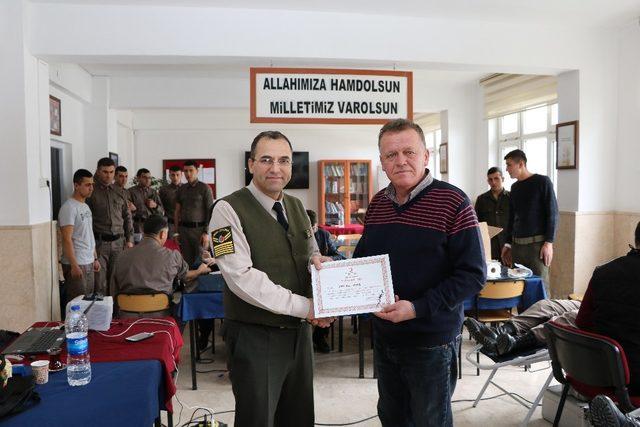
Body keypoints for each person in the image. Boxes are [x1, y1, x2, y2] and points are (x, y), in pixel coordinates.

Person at [353, 119, 485, 427]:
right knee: (392, 417)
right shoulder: (377, 205)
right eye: (391, 155)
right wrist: (329, 269)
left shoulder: (454, 202)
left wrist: (417, 308)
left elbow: (473, 275)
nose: (401, 161)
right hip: (385, 337)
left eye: (409, 152)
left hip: (431, 342)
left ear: (426, 156)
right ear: (382, 163)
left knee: (429, 421)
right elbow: (362, 260)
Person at [209, 130, 333, 427]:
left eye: (283, 160)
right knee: (258, 419)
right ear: (251, 165)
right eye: (266, 159)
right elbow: (241, 278)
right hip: (255, 336)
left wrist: (319, 267)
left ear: (291, 166)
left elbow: (310, 251)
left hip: (299, 336)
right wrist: (308, 308)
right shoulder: (226, 210)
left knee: (299, 416)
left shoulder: (297, 207)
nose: (275, 168)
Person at [576, 221, 640, 396]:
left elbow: (582, 322)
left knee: (560, 309)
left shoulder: (602, 271)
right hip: (634, 382)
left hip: (597, 371)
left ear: (636, 240)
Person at [110, 215, 211, 315]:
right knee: (183, 311)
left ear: (143, 231)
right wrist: (200, 271)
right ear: (163, 234)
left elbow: (114, 289)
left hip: (127, 316)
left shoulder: (122, 256)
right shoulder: (173, 256)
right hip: (161, 315)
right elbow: (186, 277)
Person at [501, 149, 558, 293]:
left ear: (520, 164)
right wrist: (508, 243)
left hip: (537, 247)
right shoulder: (514, 188)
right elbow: (512, 218)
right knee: (520, 288)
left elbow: (552, 213)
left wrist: (549, 243)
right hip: (517, 247)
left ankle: (546, 316)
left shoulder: (542, 182)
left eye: (509, 165)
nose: (506, 169)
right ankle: (523, 316)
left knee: (540, 288)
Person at [464, 299, 581, 356]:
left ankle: (515, 343)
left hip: (597, 314)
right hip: (585, 303)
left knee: (572, 317)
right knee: (545, 305)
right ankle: (498, 333)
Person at [86, 157, 134, 294]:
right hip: (100, 243)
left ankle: (115, 312)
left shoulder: (119, 191)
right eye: (105, 172)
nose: (109, 175)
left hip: (119, 242)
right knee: (100, 281)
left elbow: (127, 216)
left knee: (117, 279)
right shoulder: (91, 192)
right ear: (98, 171)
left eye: (111, 172)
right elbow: (87, 221)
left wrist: (130, 239)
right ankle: (102, 313)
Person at [59, 169, 101, 303]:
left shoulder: (85, 206)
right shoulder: (69, 207)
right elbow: (66, 238)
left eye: (92, 184)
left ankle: (85, 325)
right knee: (77, 303)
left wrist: (95, 258)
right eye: (87, 185)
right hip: (77, 262)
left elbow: (88, 233)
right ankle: (75, 325)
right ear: (76, 185)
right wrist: (73, 265)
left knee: (88, 301)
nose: (91, 188)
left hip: (88, 260)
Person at [306, 209, 345, 353]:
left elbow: (339, 257)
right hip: (302, 280)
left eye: (313, 228)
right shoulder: (297, 235)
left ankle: (319, 336)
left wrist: (328, 260)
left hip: (322, 280)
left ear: (316, 226)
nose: (310, 232)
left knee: (331, 301)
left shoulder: (324, 235)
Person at [175, 160, 214, 266]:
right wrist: (176, 232)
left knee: (201, 261)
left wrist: (206, 232)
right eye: (186, 171)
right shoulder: (181, 189)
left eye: (191, 170)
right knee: (187, 261)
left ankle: (200, 282)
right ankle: (189, 282)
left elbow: (210, 211)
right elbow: (177, 211)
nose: (188, 174)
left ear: (197, 171)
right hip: (184, 231)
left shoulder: (205, 188)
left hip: (199, 231)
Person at [474, 167, 510, 260]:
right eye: (490, 179)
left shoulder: (511, 197)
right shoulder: (481, 199)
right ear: (488, 181)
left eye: (496, 179)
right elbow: (477, 223)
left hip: (508, 244)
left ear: (502, 179)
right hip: (489, 244)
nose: (493, 182)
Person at [128, 168, 164, 243]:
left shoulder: (153, 192)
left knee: (150, 249)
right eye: (144, 177)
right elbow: (126, 212)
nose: (148, 180)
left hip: (151, 226)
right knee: (138, 250)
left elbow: (162, 211)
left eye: (149, 178)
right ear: (138, 178)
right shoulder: (130, 192)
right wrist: (134, 210)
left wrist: (155, 206)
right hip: (137, 226)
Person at [159, 165, 182, 238]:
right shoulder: (163, 190)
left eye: (177, 175)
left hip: (184, 224)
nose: (175, 177)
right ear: (169, 175)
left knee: (185, 247)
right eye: (173, 175)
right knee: (171, 247)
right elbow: (160, 207)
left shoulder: (187, 189)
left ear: (181, 175)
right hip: (170, 224)